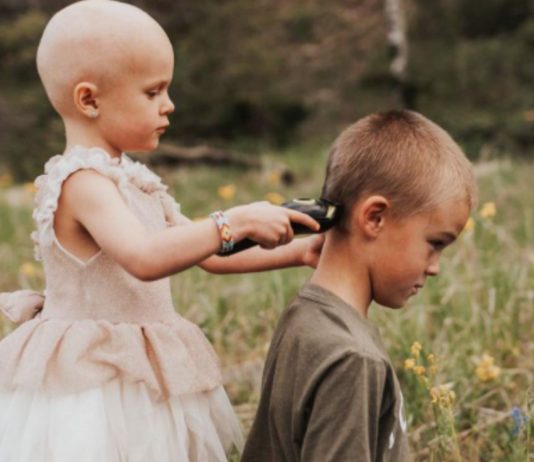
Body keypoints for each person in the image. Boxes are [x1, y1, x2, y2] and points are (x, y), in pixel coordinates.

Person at [0, 1, 324, 461]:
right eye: (153, 92)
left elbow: (209, 254)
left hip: (140, 375)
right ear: (88, 100)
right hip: (92, 383)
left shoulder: (135, 180)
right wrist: (234, 219)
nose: (169, 105)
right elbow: (145, 258)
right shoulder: (82, 183)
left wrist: (300, 253)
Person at [242, 110, 478, 462]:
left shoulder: (305, 317)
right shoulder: (351, 358)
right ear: (374, 218)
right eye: (435, 243)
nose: (435, 268)